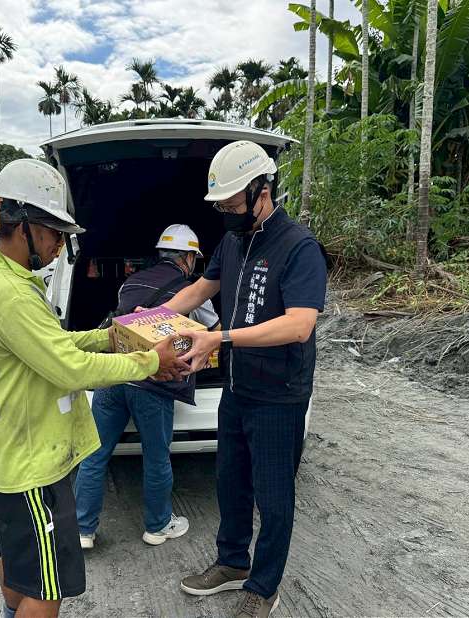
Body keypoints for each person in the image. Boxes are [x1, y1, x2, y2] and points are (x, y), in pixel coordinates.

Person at [0, 159, 188, 618]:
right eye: (54, 233)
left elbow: (50, 345)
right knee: (47, 591)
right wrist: (150, 359)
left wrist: (107, 337)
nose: (59, 246)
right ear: (25, 226)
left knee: (19, 566)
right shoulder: (13, 296)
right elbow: (69, 368)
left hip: (8, 456)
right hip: (32, 468)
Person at [164, 141, 327, 618]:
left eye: (235, 205)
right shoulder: (233, 240)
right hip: (237, 389)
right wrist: (147, 316)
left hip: (279, 396)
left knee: (274, 497)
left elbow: (299, 324)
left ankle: (264, 585)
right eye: (222, 207)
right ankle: (232, 563)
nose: (229, 215)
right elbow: (199, 289)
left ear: (263, 190)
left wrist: (221, 339)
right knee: (230, 483)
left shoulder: (299, 247)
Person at [74, 225, 220, 549]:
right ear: (187, 258)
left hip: (115, 375)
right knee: (156, 457)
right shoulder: (192, 289)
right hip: (154, 383)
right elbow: (214, 332)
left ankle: (83, 530)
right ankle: (157, 526)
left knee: (95, 455)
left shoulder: (129, 283)